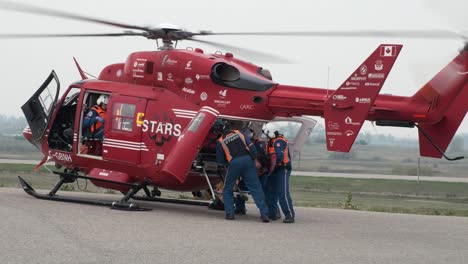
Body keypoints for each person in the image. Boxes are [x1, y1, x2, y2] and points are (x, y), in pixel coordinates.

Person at [216, 122, 270, 222]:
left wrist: (227, 167)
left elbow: (220, 161)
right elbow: (252, 147)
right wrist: (254, 159)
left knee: (228, 189)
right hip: (248, 160)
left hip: (234, 163)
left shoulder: (220, 141)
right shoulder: (239, 133)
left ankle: (230, 213)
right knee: (256, 188)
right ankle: (264, 214)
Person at [266, 129, 295, 223]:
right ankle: (273, 213)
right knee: (270, 192)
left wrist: (270, 162)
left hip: (283, 169)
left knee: (283, 193)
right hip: (274, 169)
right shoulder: (270, 142)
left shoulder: (279, 141)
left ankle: (289, 215)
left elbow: (279, 157)